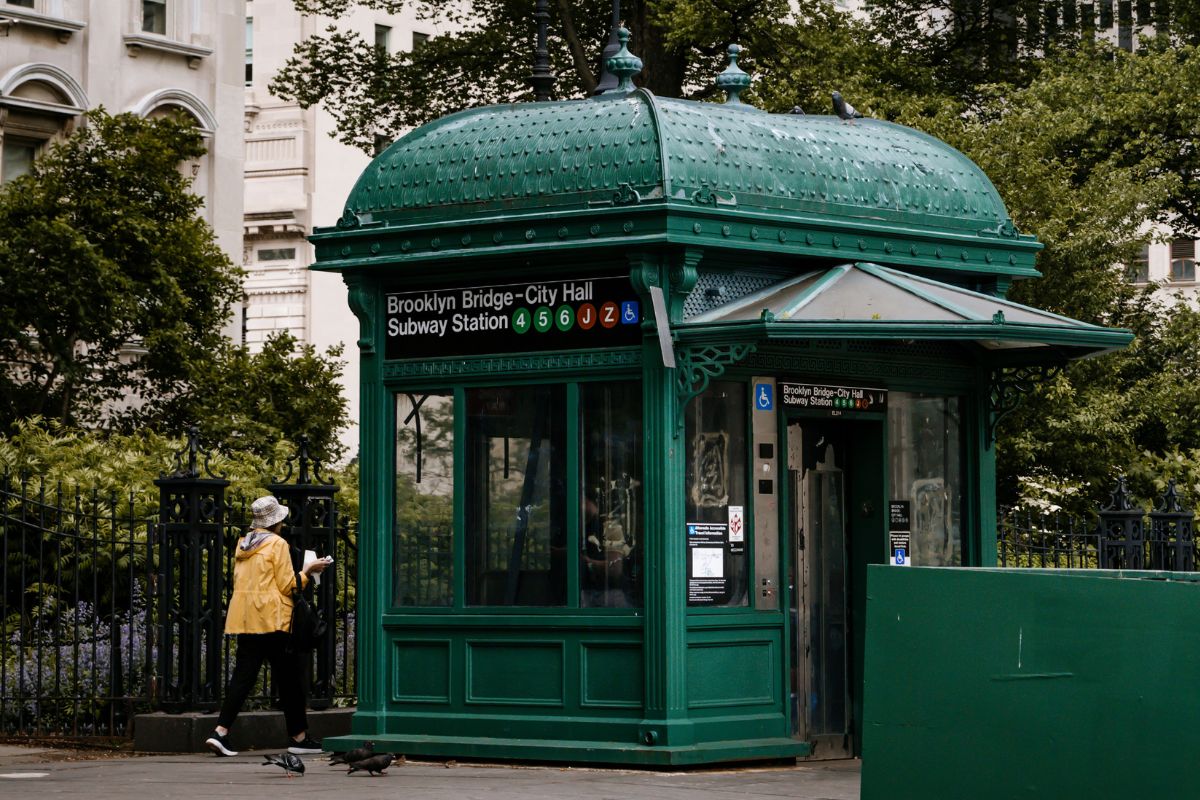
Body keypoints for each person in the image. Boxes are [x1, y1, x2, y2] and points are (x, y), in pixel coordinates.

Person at [204, 496, 330, 757]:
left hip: (246, 618)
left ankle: (220, 732)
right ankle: (298, 737)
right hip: (274, 619)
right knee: (291, 678)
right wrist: (310, 571)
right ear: (278, 521)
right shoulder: (277, 544)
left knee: (243, 677)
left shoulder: (243, 544)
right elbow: (289, 585)